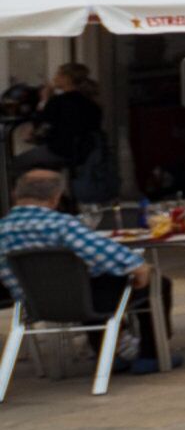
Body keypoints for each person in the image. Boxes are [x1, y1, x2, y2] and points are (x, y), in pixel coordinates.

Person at [0, 164, 155, 371]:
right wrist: (139, 267)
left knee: (84, 281)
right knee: (153, 284)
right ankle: (149, 355)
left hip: (35, 305)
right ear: (56, 196)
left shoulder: (2, 230)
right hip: (82, 300)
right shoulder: (62, 224)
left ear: (14, 195)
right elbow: (104, 252)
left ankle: (110, 351)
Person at [26, 63, 106, 207]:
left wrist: (44, 100)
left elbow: (41, 124)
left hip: (59, 150)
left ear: (67, 78)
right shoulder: (91, 103)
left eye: (58, 74)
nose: (55, 78)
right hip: (83, 151)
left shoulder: (58, 101)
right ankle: (58, 197)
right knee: (46, 166)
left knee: (15, 164)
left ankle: (42, 200)